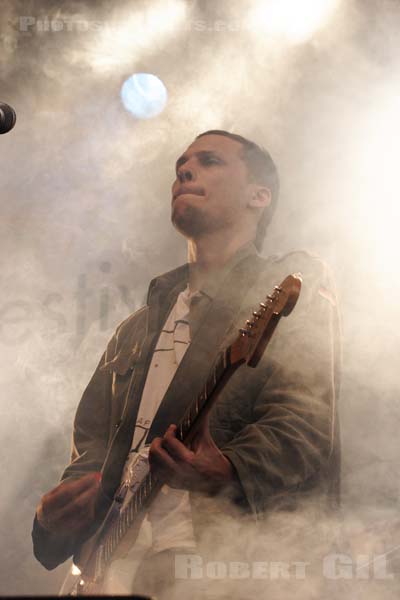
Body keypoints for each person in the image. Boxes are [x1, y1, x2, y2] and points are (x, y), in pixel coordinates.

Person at [32, 130, 341, 597]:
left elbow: (302, 424)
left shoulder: (286, 300)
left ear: (259, 196)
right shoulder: (135, 329)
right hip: (102, 567)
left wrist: (229, 470)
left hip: (211, 563)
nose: (184, 170)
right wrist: (55, 519)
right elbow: (91, 448)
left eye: (210, 160)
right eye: (181, 163)